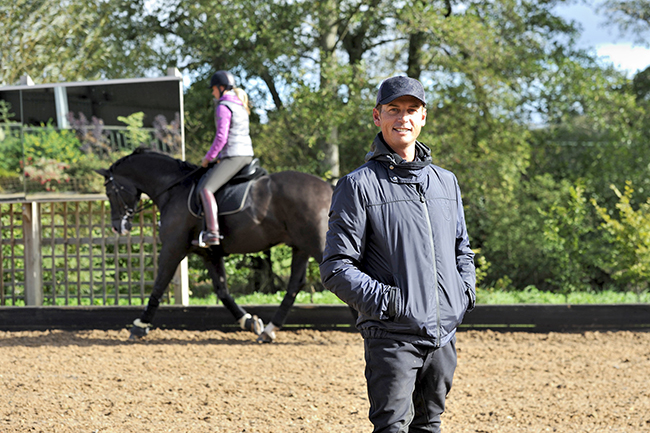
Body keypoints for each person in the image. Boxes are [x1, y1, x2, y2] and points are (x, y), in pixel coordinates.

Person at [319, 76, 476, 433]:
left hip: (443, 335)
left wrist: (462, 295)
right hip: (392, 338)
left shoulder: (445, 182)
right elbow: (336, 267)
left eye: (411, 110)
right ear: (378, 116)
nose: (402, 118)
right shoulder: (357, 185)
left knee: (429, 425)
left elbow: (461, 250)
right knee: (392, 428)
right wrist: (392, 304)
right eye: (394, 110)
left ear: (423, 117)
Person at [195, 70, 254, 247]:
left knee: (206, 189)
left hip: (234, 154)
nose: (212, 93)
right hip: (246, 153)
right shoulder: (239, 105)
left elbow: (222, 137)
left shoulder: (223, 106)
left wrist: (208, 157)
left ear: (221, 88)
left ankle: (212, 232)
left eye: (213, 89)